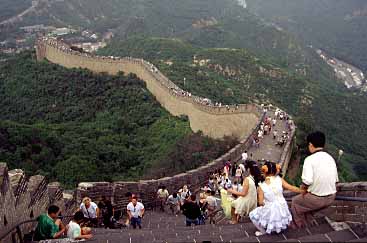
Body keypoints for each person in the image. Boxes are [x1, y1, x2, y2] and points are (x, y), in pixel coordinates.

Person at [291, 131, 338, 228]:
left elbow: (307, 181)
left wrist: (303, 188)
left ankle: (298, 227)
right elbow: (336, 180)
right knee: (308, 208)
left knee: (295, 202)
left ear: (311, 145)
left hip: (317, 199)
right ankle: (309, 223)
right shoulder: (330, 158)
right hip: (331, 198)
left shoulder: (310, 159)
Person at [249, 162, 304, 236]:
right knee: (276, 214)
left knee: (252, 214)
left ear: (264, 172)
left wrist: (266, 201)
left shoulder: (261, 186)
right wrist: (302, 191)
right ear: (275, 171)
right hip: (282, 207)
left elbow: (261, 203)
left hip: (271, 209)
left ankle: (263, 231)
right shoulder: (279, 179)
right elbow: (291, 187)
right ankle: (278, 227)